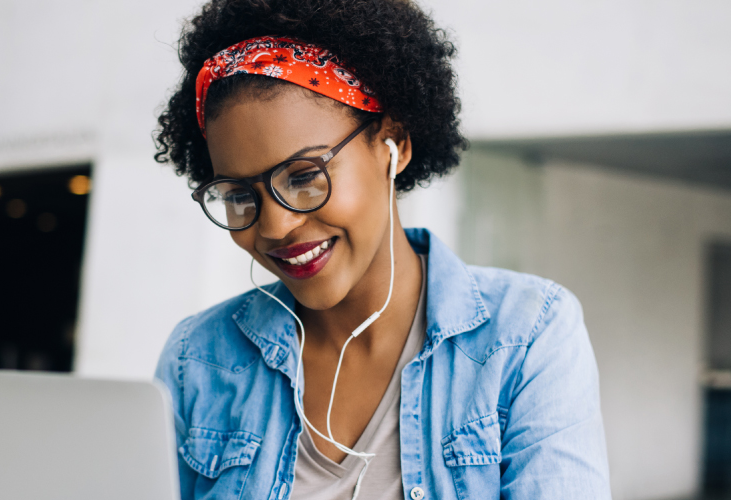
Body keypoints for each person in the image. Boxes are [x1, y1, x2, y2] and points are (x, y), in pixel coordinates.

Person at [151, 1, 611, 499]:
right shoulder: (196, 357)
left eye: (305, 177)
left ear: (393, 144)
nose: (277, 225)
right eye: (241, 196)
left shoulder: (526, 335)